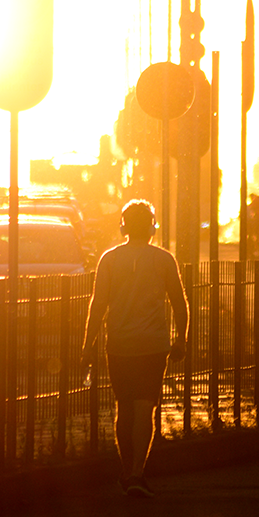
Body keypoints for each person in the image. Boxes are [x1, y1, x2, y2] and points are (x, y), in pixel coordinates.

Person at [80, 199, 189, 498]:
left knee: (124, 408)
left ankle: (126, 471)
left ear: (123, 226)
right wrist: (181, 339)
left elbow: (98, 305)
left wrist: (87, 345)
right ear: (153, 227)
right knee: (146, 408)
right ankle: (138, 473)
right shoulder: (164, 260)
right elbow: (180, 303)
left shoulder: (109, 259)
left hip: (119, 345)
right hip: (153, 346)